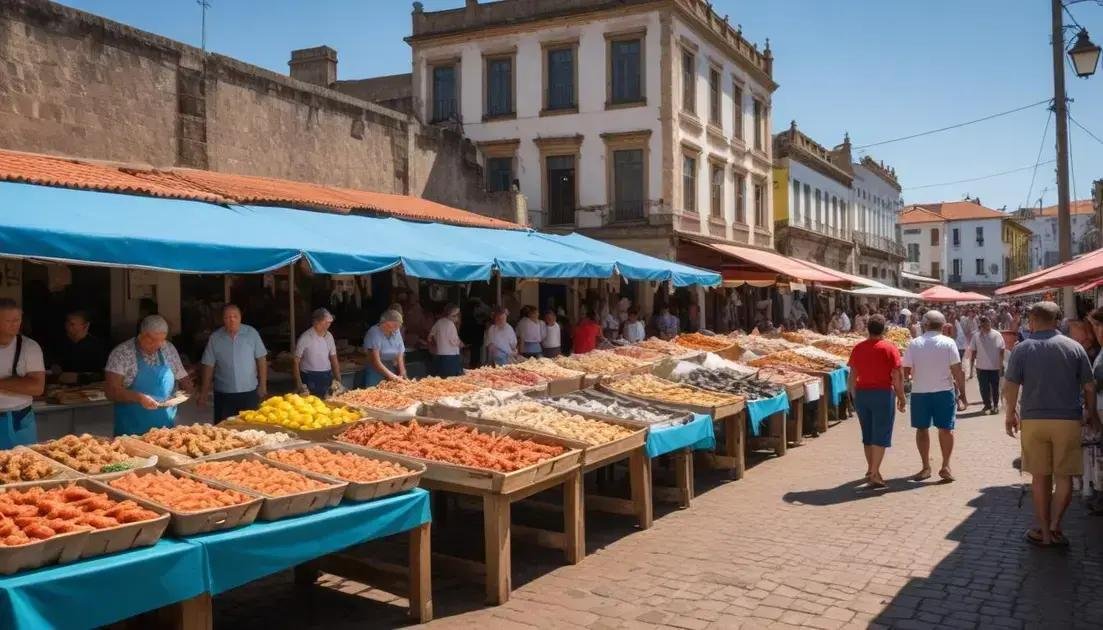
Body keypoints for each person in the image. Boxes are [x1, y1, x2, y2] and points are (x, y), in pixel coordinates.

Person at [1004, 302, 1098, 548]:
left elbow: (1011, 385)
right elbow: (1089, 386)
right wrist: (1091, 413)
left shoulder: (1022, 349)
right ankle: (1056, 525)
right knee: (1064, 476)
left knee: (1039, 477)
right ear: (1058, 321)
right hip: (1068, 419)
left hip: (1034, 419)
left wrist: (1010, 414)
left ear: (1032, 321)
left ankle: (1043, 531)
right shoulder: (1074, 348)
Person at [902, 310, 967, 483]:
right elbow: (957, 370)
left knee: (922, 429)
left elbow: (906, 370)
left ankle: (925, 467)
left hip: (920, 392)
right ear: (943, 325)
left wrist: (905, 387)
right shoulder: (949, 343)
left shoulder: (914, 343)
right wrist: (963, 393)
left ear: (925, 324)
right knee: (946, 429)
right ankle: (945, 465)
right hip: (944, 392)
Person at [105, 315, 193, 436]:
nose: (157, 345)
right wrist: (139, 398)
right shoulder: (122, 353)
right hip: (131, 431)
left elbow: (184, 379)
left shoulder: (168, 349)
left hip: (165, 430)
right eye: (152, 340)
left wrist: (187, 392)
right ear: (141, 335)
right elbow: (111, 391)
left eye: (161, 340)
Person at [847, 315, 907, 488]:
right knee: (880, 434)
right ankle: (874, 473)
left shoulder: (858, 348)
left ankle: (871, 469)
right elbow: (897, 376)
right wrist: (901, 397)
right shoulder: (889, 348)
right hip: (882, 394)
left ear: (868, 328)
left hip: (862, 394)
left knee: (867, 434)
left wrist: (852, 395)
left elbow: (852, 375)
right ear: (884, 329)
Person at [198, 304, 268, 423]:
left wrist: (263, 385)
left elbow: (261, 360)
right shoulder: (215, 338)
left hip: (249, 391)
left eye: (235, 316)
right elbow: (209, 366)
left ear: (241, 317)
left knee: (250, 429)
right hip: (224, 393)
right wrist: (204, 392)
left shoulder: (251, 334)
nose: (232, 320)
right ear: (222, 320)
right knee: (224, 429)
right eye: (227, 317)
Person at [0, 299, 45, 447]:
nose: (14, 325)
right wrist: (17, 383)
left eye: (17, 320)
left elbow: (37, 387)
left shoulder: (29, 347)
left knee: (25, 463)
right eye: (8, 320)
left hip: (21, 418)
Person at [292, 308, 342, 398]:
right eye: (325, 323)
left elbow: (333, 358)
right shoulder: (305, 337)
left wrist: (338, 379)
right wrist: (299, 384)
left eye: (329, 323)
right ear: (315, 322)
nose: (327, 326)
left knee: (328, 403)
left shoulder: (329, 336)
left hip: (327, 375)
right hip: (309, 376)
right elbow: (296, 361)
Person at [52, 310, 106, 384]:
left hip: (90, 388)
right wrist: (55, 369)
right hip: (62, 388)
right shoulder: (60, 343)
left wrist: (80, 377)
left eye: (72, 324)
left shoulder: (97, 345)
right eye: (66, 322)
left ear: (86, 325)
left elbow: (105, 374)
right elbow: (55, 365)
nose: (67, 326)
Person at [967, 315, 1005, 415]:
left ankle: (996, 406)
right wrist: (971, 369)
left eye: (987, 322)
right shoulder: (976, 336)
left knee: (995, 387)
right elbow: (973, 352)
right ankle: (987, 404)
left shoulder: (997, 334)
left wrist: (1001, 366)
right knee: (984, 388)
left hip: (995, 367)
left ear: (990, 323)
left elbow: (1001, 350)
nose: (985, 325)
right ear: (981, 325)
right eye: (983, 323)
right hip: (981, 367)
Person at [361, 310, 407, 386]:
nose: (396, 329)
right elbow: (376, 361)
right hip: (375, 369)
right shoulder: (374, 332)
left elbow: (400, 352)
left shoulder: (396, 330)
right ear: (384, 323)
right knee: (374, 393)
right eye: (394, 325)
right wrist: (395, 377)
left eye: (398, 326)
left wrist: (402, 371)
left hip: (390, 366)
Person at [427, 304, 464, 377]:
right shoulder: (450, 324)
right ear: (450, 314)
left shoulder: (439, 322)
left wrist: (438, 343)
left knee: (443, 378)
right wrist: (460, 344)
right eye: (456, 315)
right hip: (451, 357)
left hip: (440, 354)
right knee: (451, 379)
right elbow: (454, 341)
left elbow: (430, 337)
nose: (458, 317)